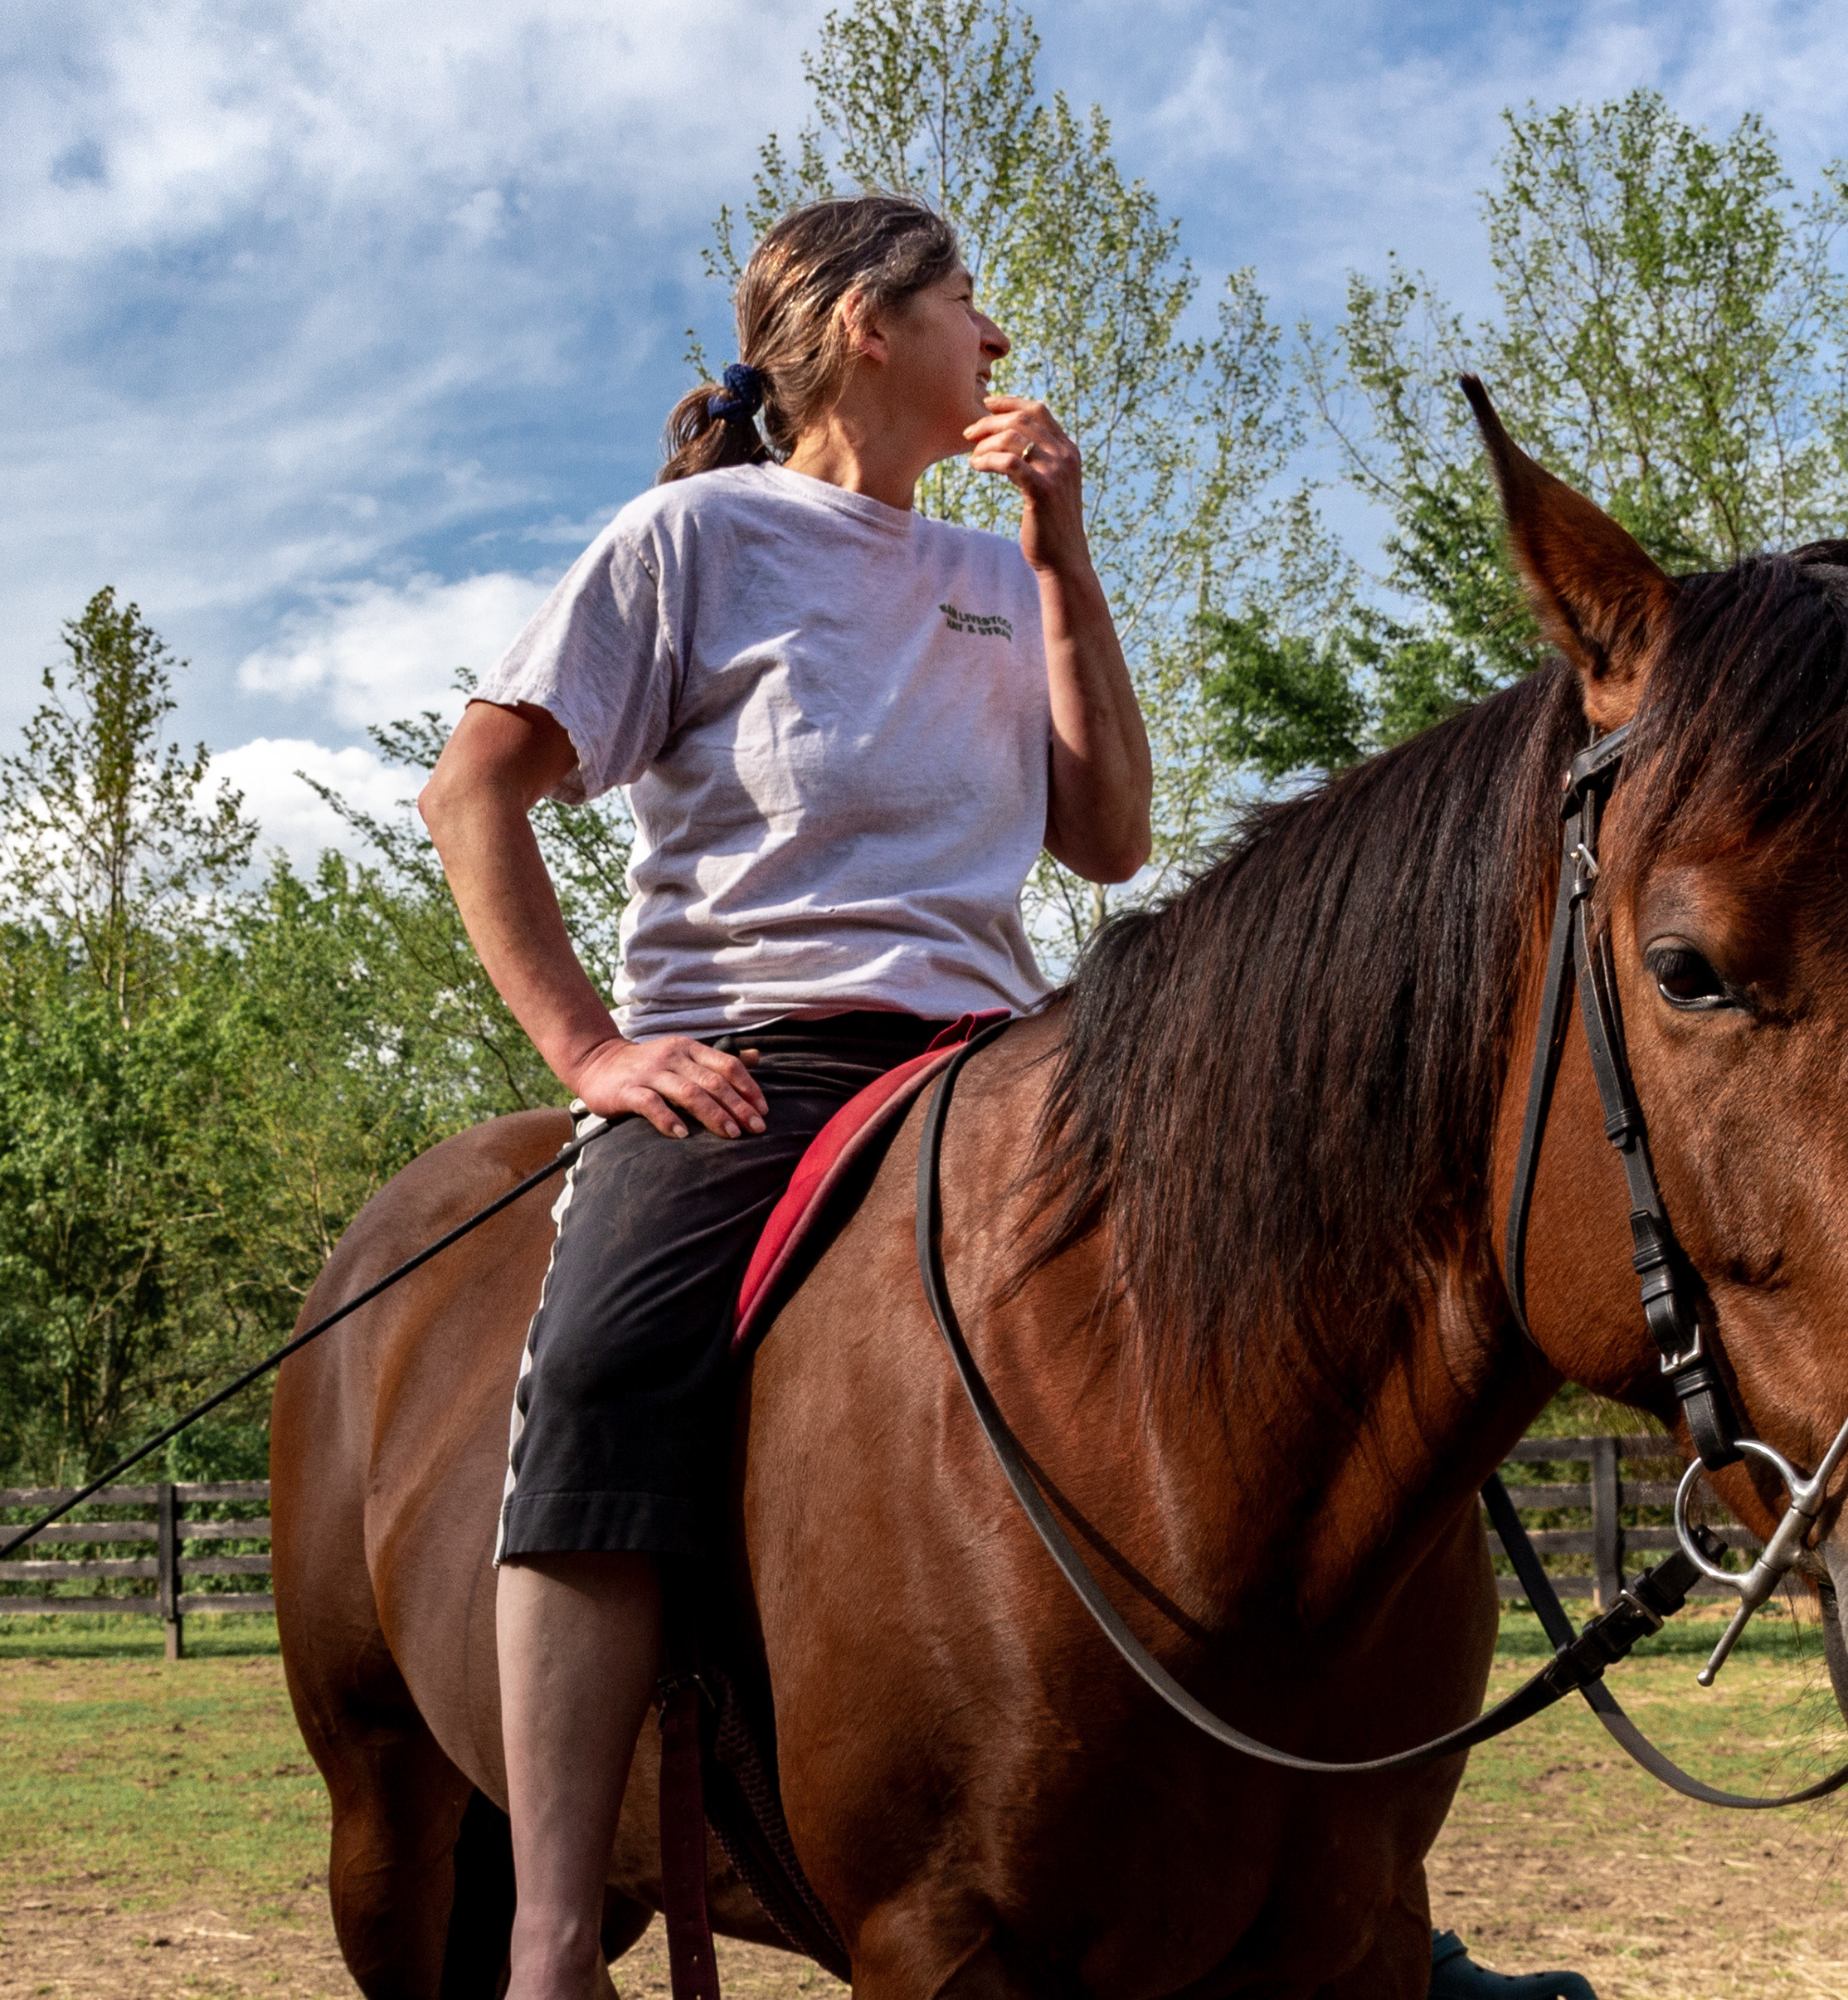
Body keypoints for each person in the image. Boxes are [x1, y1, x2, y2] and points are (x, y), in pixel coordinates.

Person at [416, 191, 1151, 1999]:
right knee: (595, 1372)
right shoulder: (693, 541)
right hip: (749, 1070)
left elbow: (1113, 837)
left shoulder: (997, 572)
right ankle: (553, 1938)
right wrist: (594, 1055)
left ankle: (1334, 1885)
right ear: (864, 330)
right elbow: (471, 797)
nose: (1000, 338)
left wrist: (1060, 546)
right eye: (969, 300)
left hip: (1002, 1061)